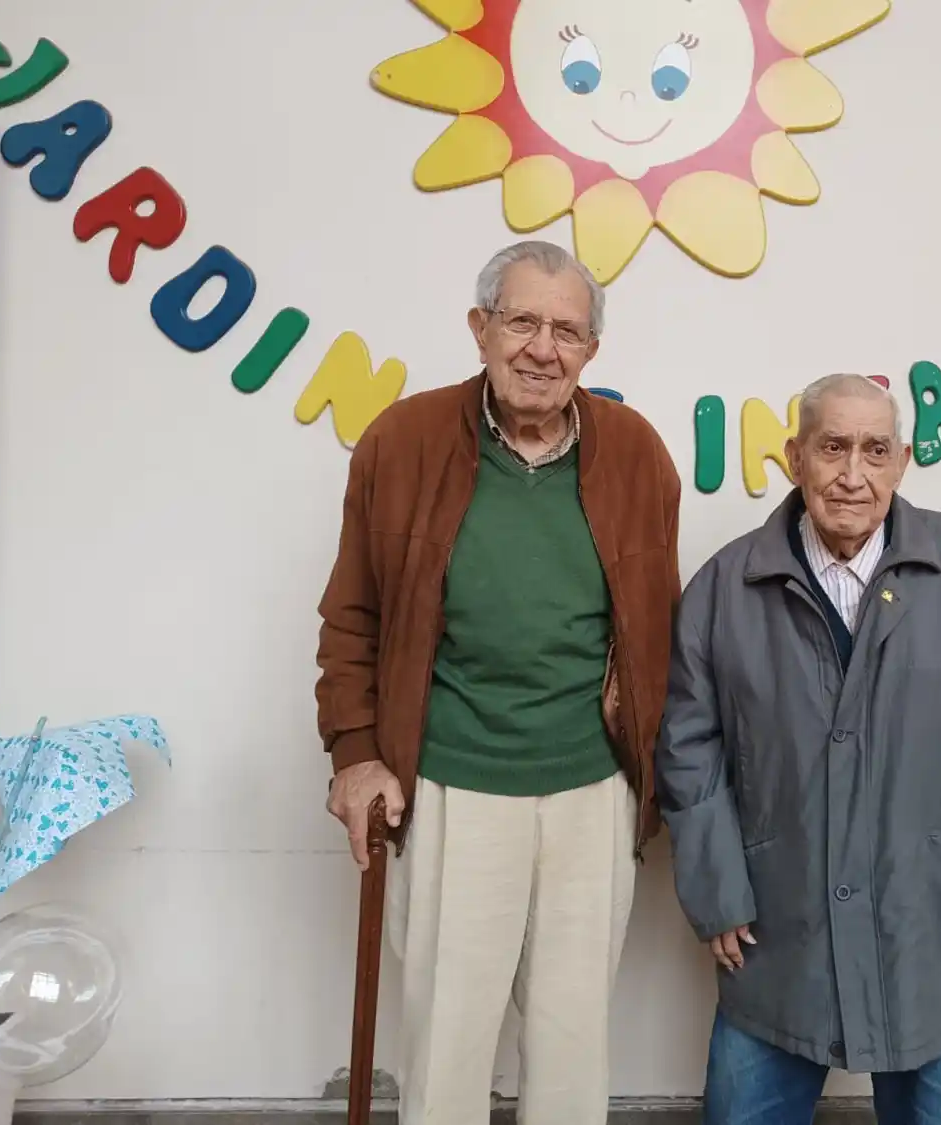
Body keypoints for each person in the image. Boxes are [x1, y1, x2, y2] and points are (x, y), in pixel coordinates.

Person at [314, 240, 682, 1125]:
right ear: (480, 328)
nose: (542, 348)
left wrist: (659, 773)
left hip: (592, 793)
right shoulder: (401, 441)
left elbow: (658, 625)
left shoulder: (635, 451)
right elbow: (352, 615)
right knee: (447, 1043)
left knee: (571, 1043)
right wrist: (357, 752)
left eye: (566, 330)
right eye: (522, 321)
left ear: (591, 350)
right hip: (450, 787)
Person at [657, 373, 941, 1124]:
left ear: (903, 461)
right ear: (794, 457)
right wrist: (717, 891)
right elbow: (689, 749)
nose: (853, 474)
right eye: (832, 447)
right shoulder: (724, 587)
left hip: (935, 937)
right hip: (775, 939)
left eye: (875, 449)